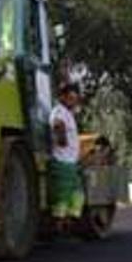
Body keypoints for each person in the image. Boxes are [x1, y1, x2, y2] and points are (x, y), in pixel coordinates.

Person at [49, 83, 84, 231]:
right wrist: (61, 137)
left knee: (77, 194)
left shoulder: (68, 113)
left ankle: (69, 221)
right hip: (62, 162)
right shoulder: (59, 112)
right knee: (62, 197)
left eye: (75, 99)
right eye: (70, 98)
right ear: (62, 97)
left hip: (71, 162)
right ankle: (59, 225)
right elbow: (57, 124)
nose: (73, 101)